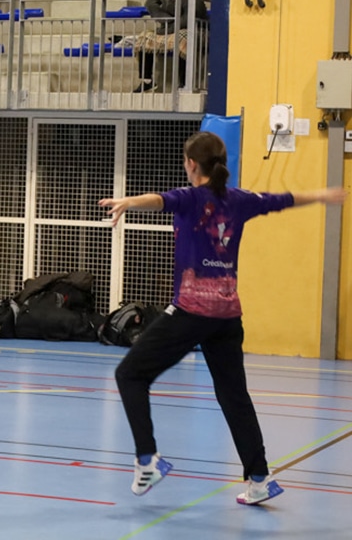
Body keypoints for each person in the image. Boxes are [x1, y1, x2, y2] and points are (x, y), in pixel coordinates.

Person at [99, 131, 346, 505]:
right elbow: (284, 199)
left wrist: (128, 202)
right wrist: (323, 195)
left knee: (129, 374)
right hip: (228, 316)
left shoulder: (190, 198)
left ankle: (147, 459)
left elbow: (159, 200)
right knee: (233, 395)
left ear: (191, 165)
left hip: (192, 311)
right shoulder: (240, 200)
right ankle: (259, 478)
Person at [133, 0, 207, 92]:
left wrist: (170, 26)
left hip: (192, 29)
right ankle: (147, 80)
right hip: (168, 27)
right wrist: (166, 19)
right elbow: (150, 4)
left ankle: (183, 83)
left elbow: (189, 18)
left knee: (182, 39)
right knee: (144, 38)